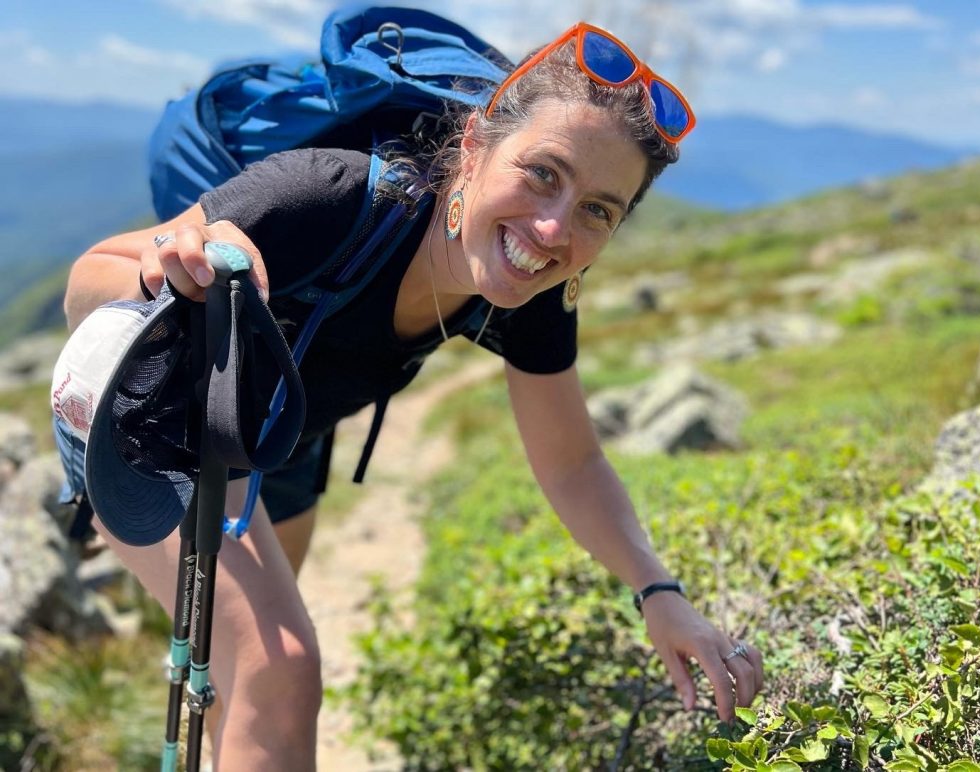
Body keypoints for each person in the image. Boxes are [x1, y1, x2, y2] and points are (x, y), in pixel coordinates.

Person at [58, 21, 764, 769]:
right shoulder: (324, 196)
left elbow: (574, 466)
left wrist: (660, 591)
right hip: (158, 419)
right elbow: (85, 286)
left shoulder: (531, 296)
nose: (553, 228)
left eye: (598, 210)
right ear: (473, 147)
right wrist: (162, 273)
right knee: (280, 670)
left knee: (248, 685)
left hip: (281, 432)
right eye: (542, 174)